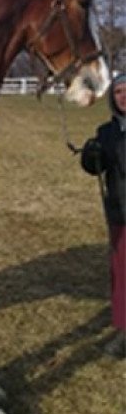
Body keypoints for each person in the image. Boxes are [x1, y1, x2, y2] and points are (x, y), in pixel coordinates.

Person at [81, 72, 126, 358]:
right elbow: (94, 168)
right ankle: (124, 330)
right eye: (119, 92)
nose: (124, 97)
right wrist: (91, 153)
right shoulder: (106, 132)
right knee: (122, 273)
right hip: (120, 212)